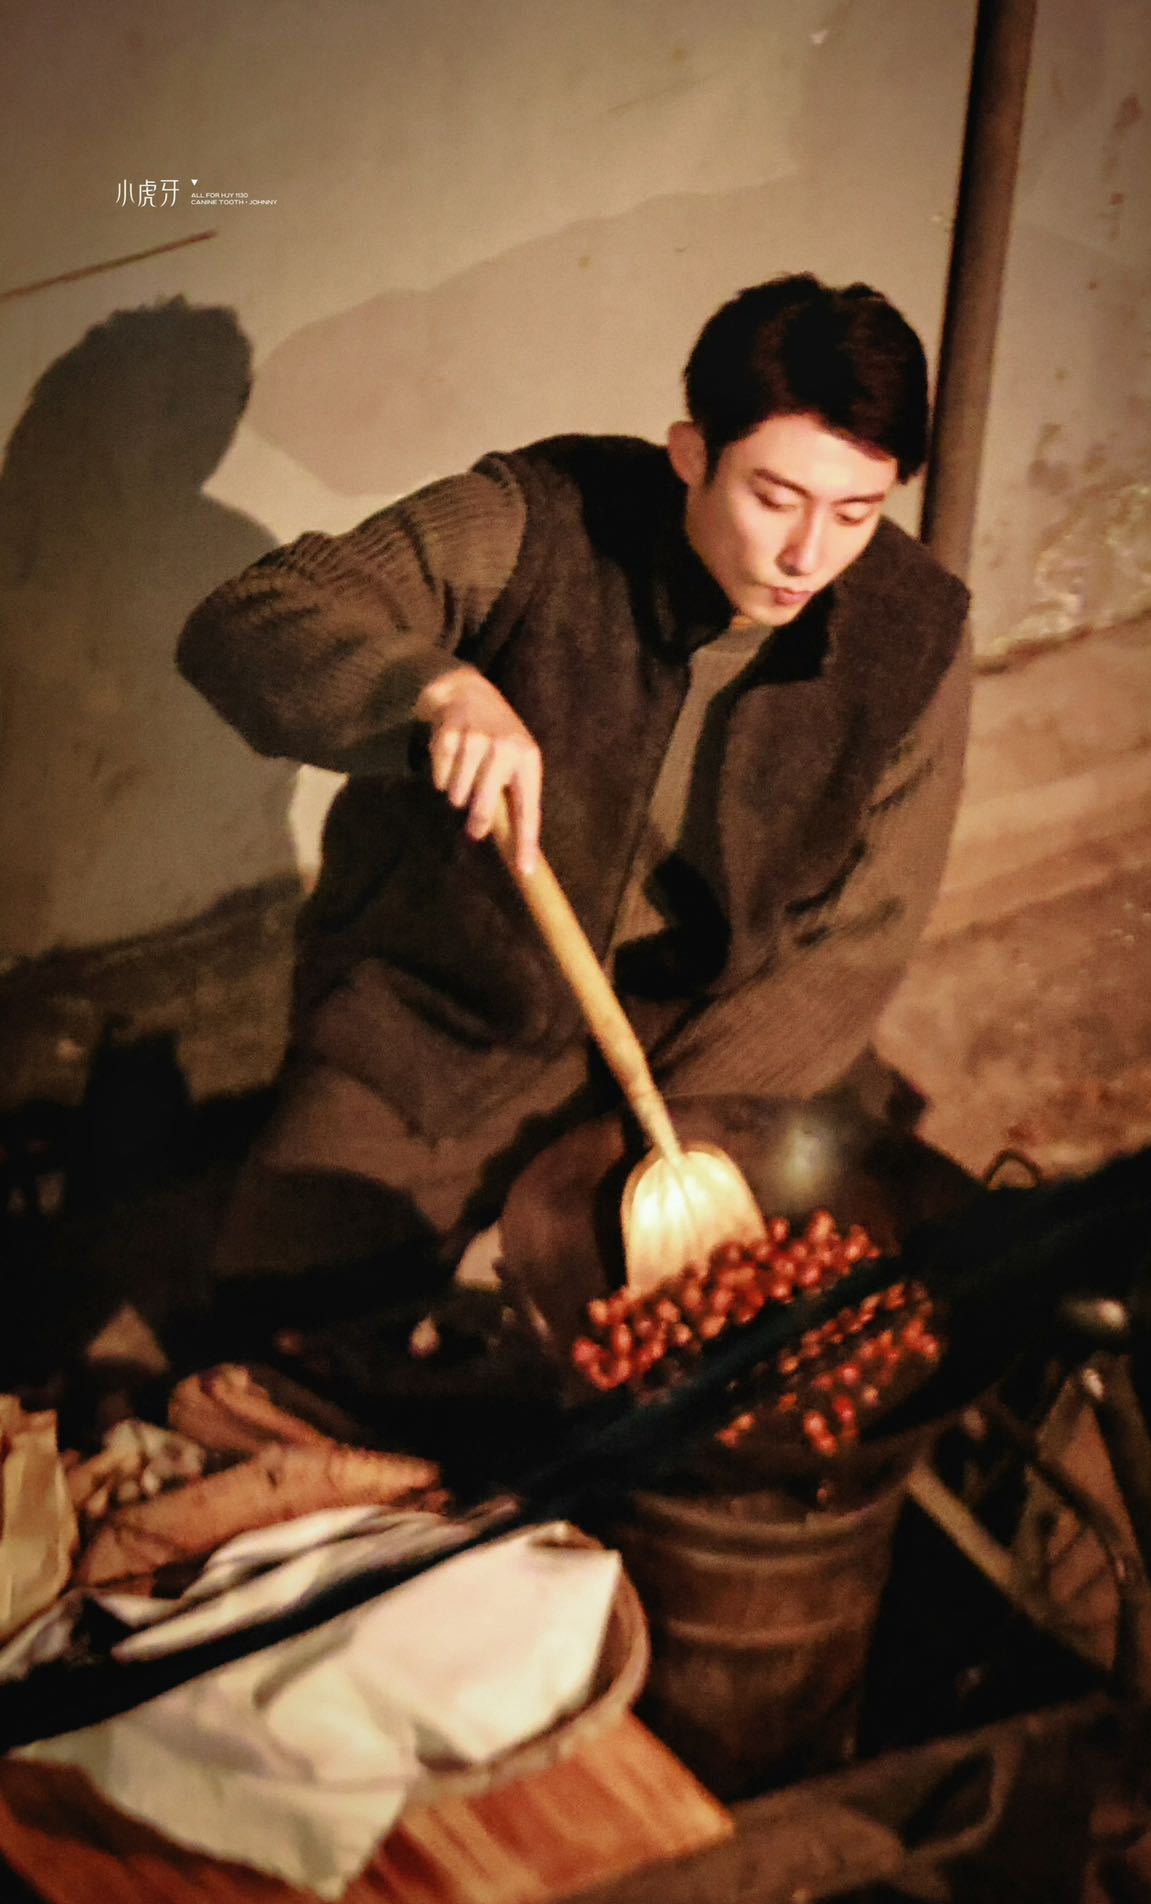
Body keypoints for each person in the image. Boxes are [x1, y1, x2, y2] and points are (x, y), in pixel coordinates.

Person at [178, 273, 971, 1318]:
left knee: (806, 1304)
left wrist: (665, 1138)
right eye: (773, 499)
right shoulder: (538, 523)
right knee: (283, 1315)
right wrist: (434, 689)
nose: (806, 555)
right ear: (691, 453)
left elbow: (857, 942)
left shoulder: (912, 629)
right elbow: (248, 618)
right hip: (451, 1021)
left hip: (708, 1027)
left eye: (856, 512)